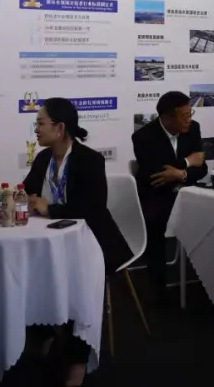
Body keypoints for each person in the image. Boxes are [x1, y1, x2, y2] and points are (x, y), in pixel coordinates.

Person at [22, 98, 132, 387]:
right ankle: (46, 336)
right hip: (51, 242)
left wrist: (51, 209)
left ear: (59, 128)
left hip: (91, 241)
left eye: (40, 123)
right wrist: (22, 197)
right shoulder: (43, 159)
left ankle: (77, 361)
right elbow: (29, 190)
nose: (36, 129)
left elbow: (92, 208)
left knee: (80, 288)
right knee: (28, 273)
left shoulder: (89, 160)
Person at [131, 91, 207, 303]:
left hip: (188, 192)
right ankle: (158, 288)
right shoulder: (143, 137)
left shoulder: (194, 129)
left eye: (190, 113)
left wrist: (181, 173)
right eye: (184, 116)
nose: (189, 119)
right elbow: (159, 173)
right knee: (154, 221)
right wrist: (187, 163)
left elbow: (201, 167)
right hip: (158, 195)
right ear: (167, 118)